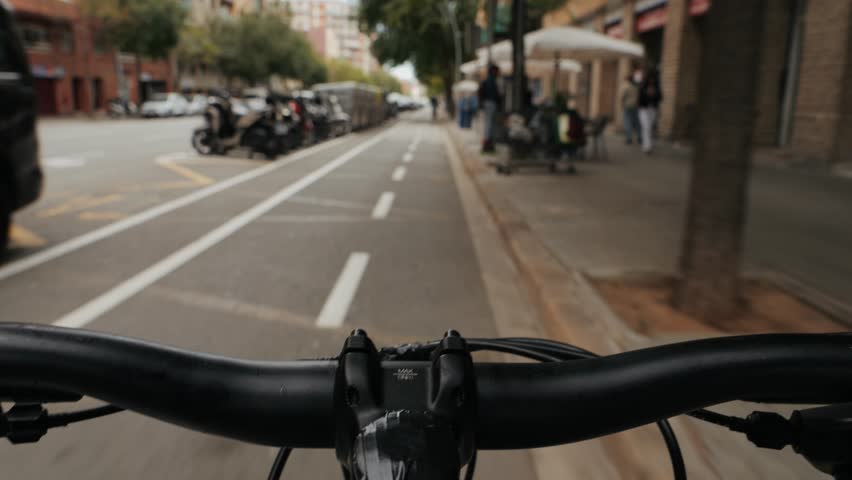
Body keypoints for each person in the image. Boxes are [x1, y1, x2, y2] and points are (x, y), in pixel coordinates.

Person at [478, 64, 502, 153]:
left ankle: (488, 143)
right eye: (497, 71)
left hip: (488, 103)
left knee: (489, 124)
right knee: (489, 124)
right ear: (493, 71)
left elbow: (481, 92)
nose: (498, 73)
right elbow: (494, 94)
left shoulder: (487, 81)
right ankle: (487, 144)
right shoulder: (490, 81)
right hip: (490, 103)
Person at [638, 69, 662, 154]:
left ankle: (647, 144)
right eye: (650, 78)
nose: (652, 80)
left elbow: (660, 97)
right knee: (646, 126)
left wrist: (654, 94)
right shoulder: (643, 87)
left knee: (649, 127)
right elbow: (640, 99)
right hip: (643, 109)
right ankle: (647, 146)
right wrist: (647, 94)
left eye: (653, 78)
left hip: (653, 109)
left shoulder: (657, 87)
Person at [619, 74, 640, 145]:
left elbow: (622, 96)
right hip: (636, 106)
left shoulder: (626, 86)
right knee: (636, 122)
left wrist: (621, 104)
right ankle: (640, 137)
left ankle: (629, 138)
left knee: (628, 122)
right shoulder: (635, 86)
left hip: (628, 106)